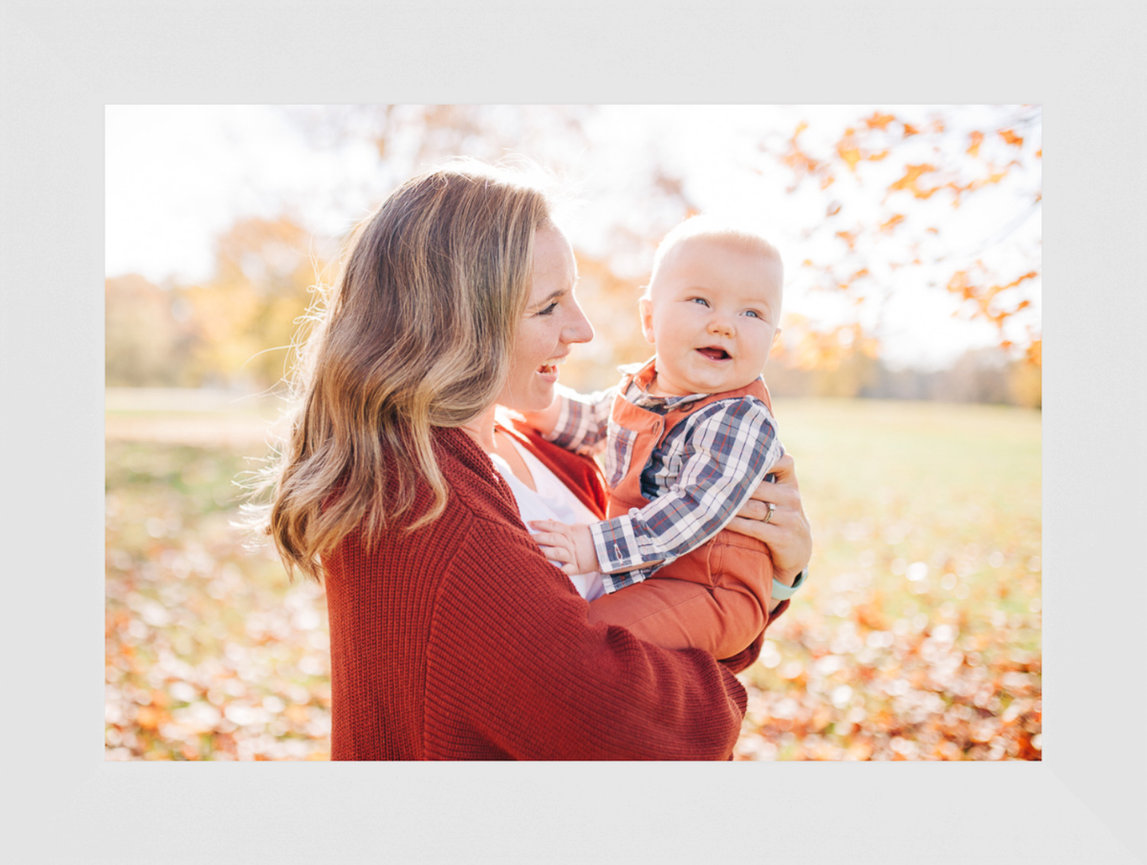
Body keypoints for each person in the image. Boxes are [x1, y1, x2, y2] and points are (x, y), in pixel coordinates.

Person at [266, 160, 812, 760]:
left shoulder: (528, 441)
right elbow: (641, 736)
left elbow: (667, 602)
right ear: (460, 323)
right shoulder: (430, 512)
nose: (582, 330)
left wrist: (773, 574)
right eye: (549, 306)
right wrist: (725, 686)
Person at [520, 216, 804, 660]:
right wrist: (532, 407)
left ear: (773, 339)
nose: (724, 325)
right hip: (658, 578)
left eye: (752, 312)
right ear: (650, 319)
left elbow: (693, 509)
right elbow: (597, 422)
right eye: (701, 300)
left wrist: (592, 546)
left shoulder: (740, 419)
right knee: (590, 626)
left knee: (592, 635)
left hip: (711, 588)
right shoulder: (643, 390)